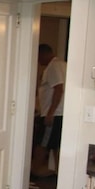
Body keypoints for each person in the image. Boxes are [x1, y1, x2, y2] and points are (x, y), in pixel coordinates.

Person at [32, 44, 66, 177]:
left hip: (54, 114)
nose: (38, 61)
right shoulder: (62, 64)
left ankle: (35, 171)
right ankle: (58, 175)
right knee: (55, 145)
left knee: (42, 143)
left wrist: (50, 113)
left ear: (43, 54)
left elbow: (59, 89)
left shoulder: (54, 66)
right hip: (58, 113)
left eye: (38, 57)